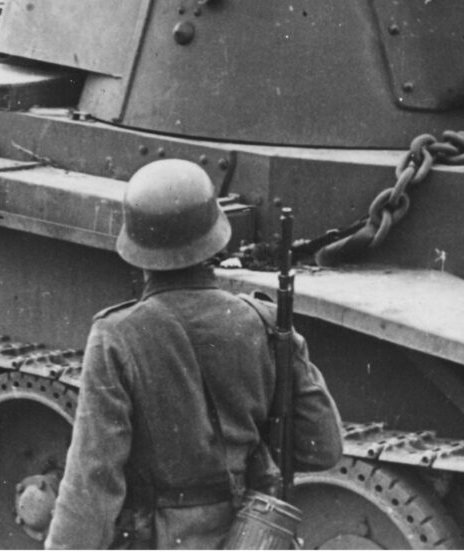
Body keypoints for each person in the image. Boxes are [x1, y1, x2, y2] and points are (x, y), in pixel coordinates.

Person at [44, 159, 343, 550]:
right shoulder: (266, 324)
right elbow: (323, 447)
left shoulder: (116, 336)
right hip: (248, 535)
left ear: (135, 249)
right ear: (215, 239)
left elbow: (93, 478)